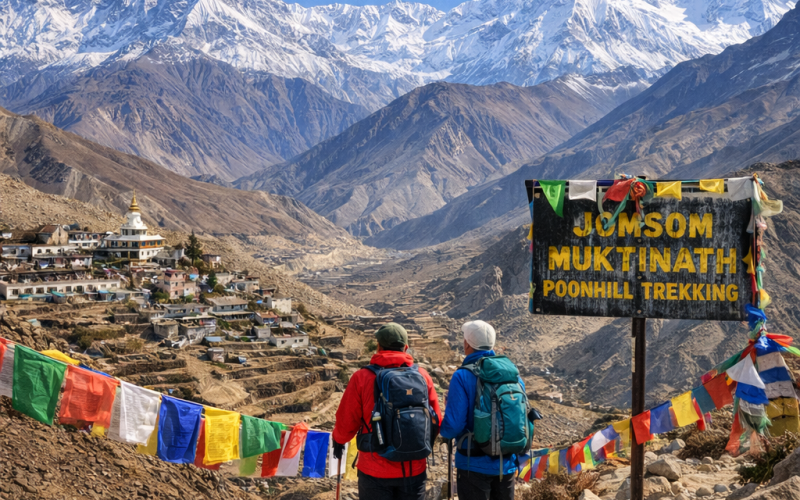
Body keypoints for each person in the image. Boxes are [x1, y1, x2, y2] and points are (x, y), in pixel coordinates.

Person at [331, 322, 442, 500]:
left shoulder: (362, 377)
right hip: (414, 469)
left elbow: (347, 421)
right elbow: (436, 421)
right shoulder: (422, 376)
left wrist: (339, 439)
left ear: (378, 346)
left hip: (374, 470)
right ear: (406, 348)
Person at [440, 320, 525, 500]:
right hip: (506, 463)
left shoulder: (462, 376)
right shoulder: (513, 375)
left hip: (473, 465)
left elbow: (454, 426)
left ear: (467, 344)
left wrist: (443, 431)